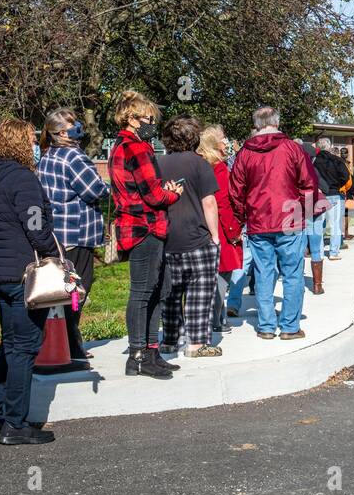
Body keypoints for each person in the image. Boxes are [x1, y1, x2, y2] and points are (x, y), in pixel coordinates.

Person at [0, 119, 59, 444]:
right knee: (24, 347)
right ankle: (15, 424)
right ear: (23, 143)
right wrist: (53, 253)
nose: (36, 144)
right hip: (25, 272)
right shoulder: (23, 179)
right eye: (32, 139)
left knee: (9, 344)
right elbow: (36, 227)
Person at [229, 107, 323, 340]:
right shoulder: (292, 148)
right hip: (289, 217)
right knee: (292, 273)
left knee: (263, 272)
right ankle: (290, 326)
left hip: (259, 219)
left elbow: (236, 191)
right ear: (276, 122)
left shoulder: (245, 153)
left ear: (257, 124)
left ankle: (267, 326)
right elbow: (309, 183)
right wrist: (306, 211)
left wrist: (241, 218)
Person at [109, 90, 184, 378]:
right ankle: (139, 355)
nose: (151, 123)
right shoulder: (137, 148)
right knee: (143, 292)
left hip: (139, 224)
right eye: (147, 118)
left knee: (156, 290)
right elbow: (152, 195)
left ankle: (151, 350)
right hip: (145, 226)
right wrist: (172, 194)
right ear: (131, 118)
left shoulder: (121, 145)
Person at [37, 108, 108, 365]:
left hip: (57, 232)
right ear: (63, 132)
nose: (79, 125)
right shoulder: (73, 157)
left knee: (64, 288)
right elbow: (94, 189)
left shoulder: (47, 156)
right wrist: (108, 189)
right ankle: (72, 339)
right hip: (78, 231)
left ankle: (64, 339)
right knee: (79, 287)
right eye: (73, 123)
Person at [158, 115, 223, 358]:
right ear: (194, 137)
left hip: (167, 237)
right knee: (200, 291)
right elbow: (209, 203)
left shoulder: (158, 163)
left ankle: (170, 339)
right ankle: (196, 344)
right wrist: (215, 236)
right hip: (197, 237)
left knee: (171, 292)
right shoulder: (200, 164)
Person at [199, 124, 244, 332]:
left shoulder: (201, 165)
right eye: (223, 138)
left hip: (202, 226)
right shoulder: (218, 168)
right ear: (214, 144)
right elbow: (223, 203)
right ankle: (215, 319)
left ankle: (220, 316)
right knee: (221, 275)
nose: (226, 142)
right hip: (220, 229)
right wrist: (234, 231)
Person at [313, 137, 350, 261]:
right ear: (329, 146)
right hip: (335, 193)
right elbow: (346, 176)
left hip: (320, 194)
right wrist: (338, 184)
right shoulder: (337, 160)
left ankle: (320, 253)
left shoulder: (314, 161)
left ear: (318, 147)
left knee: (319, 225)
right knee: (335, 225)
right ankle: (334, 252)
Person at [299, 141, 327, 291]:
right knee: (316, 247)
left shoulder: (292, 170)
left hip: (299, 211)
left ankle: (299, 284)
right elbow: (325, 186)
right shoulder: (313, 170)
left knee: (300, 249)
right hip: (314, 209)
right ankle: (317, 285)